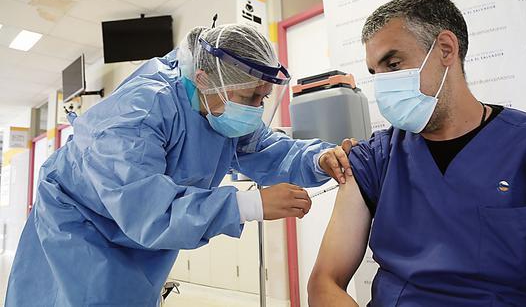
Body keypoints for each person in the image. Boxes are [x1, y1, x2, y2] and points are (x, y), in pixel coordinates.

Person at [5, 23, 355, 306]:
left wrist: (317, 158)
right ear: (204, 78)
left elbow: (266, 147)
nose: (256, 109)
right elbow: (145, 207)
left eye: (263, 98)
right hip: (80, 234)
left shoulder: (218, 108)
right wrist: (249, 203)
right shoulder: (139, 112)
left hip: (139, 242)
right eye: (250, 97)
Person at [308, 0, 526, 306]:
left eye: (393, 64)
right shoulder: (375, 158)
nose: (383, 86)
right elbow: (324, 283)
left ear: (446, 49)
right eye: (375, 74)